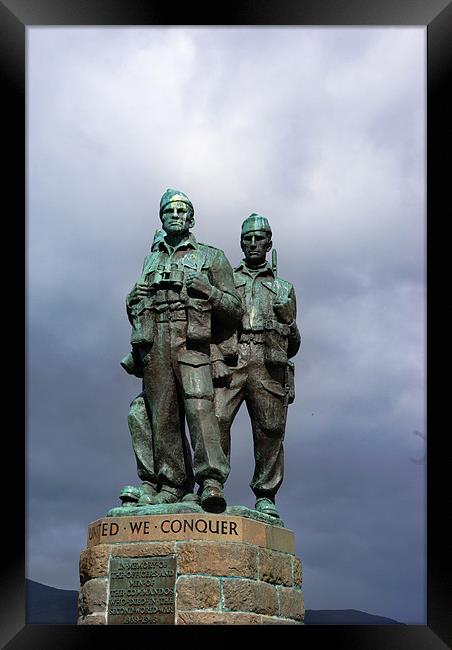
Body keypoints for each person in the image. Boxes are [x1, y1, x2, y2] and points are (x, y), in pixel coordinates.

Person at [125, 189, 243, 512]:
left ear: (191, 218)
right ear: (161, 218)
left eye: (181, 211)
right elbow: (136, 303)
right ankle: (171, 483)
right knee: (161, 413)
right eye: (169, 212)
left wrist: (209, 292)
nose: (175, 216)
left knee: (200, 408)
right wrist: (134, 297)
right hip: (156, 339)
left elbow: (235, 308)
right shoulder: (152, 258)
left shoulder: (212, 256)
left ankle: (210, 481)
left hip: (192, 339)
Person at [213, 214, 301, 518]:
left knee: (270, 431)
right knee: (216, 419)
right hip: (234, 357)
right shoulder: (228, 279)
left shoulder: (284, 287)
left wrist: (287, 319)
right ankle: (213, 484)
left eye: (259, 238)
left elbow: (295, 344)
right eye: (247, 239)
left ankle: (266, 495)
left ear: (269, 243)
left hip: (269, 363)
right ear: (241, 243)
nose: (253, 244)